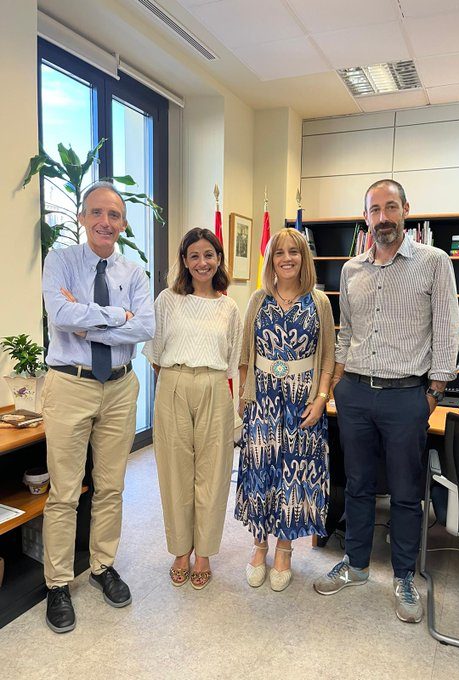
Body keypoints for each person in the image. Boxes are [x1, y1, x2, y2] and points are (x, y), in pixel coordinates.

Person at [313, 179, 459, 623]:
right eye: (374, 210)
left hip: (405, 395)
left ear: (406, 210)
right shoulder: (351, 269)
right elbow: (347, 332)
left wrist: (434, 391)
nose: (383, 218)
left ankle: (402, 578)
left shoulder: (435, 262)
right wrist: (337, 383)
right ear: (366, 218)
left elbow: (448, 331)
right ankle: (356, 565)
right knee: (357, 483)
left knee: (405, 491)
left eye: (390, 207)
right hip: (355, 391)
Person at [41, 181, 155, 633]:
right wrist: (116, 318)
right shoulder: (61, 261)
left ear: (123, 224)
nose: (105, 222)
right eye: (97, 213)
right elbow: (61, 317)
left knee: (110, 487)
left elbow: (144, 327)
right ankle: (57, 584)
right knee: (65, 492)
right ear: (82, 218)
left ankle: (103, 566)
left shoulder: (135, 272)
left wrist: (91, 320)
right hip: (70, 385)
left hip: (121, 387)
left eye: (114, 215)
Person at [235, 228, 335, 591]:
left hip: (302, 402)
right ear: (271, 259)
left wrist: (321, 399)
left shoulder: (319, 301)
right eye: (280, 253)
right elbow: (245, 355)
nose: (287, 258)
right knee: (262, 472)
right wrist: (245, 399)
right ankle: (259, 545)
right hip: (262, 400)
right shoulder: (258, 300)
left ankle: (284, 550)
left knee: (294, 478)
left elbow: (327, 357)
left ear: (303, 258)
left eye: (294, 252)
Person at [143, 228, 242, 590]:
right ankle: (181, 551)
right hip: (173, 382)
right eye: (194, 256)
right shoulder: (167, 299)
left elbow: (234, 360)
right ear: (184, 261)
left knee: (213, 474)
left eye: (209, 255)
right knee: (175, 472)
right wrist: (179, 378)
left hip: (215, 387)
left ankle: (204, 554)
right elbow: (156, 354)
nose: (202, 262)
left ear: (218, 259)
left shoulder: (229, 307)